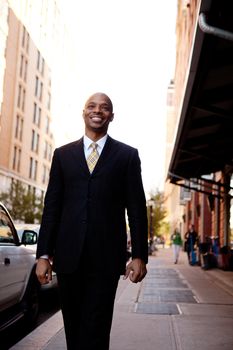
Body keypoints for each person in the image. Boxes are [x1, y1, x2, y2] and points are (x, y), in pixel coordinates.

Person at [35, 92, 148, 350]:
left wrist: (140, 254)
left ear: (111, 116)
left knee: (96, 330)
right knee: (73, 330)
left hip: (106, 259)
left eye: (104, 108)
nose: (97, 111)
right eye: (92, 106)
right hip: (68, 258)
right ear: (84, 112)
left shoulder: (127, 156)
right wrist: (43, 254)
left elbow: (137, 208)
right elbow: (51, 207)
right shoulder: (62, 155)